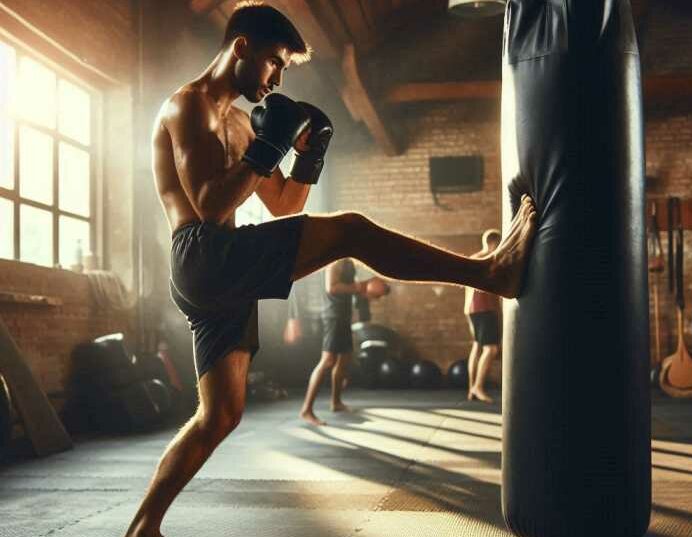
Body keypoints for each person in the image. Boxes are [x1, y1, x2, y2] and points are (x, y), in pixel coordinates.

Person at [125, 3, 537, 536]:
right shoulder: (188, 106)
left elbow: (284, 205)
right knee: (350, 230)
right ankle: (488, 273)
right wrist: (271, 145)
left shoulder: (239, 122)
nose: (276, 78)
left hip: (219, 273)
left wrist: (307, 157)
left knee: (220, 416)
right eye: (275, 62)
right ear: (242, 47)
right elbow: (208, 204)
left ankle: (143, 527)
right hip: (204, 253)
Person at [299, 259, 386, 426]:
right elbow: (331, 287)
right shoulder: (335, 262)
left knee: (345, 358)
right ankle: (306, 410)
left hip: (344, 315)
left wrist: (367, 290)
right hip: (333, 316)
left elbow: (350, 287)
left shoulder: (349, 262)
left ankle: (336, 402)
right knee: (327, 361)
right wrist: (360, 286)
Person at [464, 229, 502, 404]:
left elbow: (466, 288)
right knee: (491, 348)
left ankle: (471, 388)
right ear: (495, 243)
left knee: (477, 346)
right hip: (485, 308)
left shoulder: (473, 258)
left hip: (471, 310)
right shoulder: (491, 259)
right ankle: (478, 387)